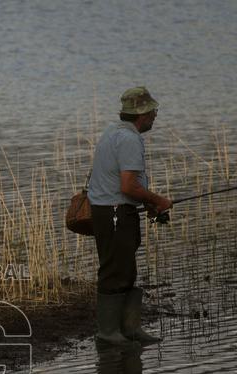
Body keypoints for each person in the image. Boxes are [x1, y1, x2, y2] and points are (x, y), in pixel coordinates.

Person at [87, 87, 172, 345]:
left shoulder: (113, 131)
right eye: (153, 111)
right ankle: (108, 333)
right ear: (142, 114)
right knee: (115, 271)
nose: (156, 115)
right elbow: (127, 186)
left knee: (125, 270)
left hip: (112, 210)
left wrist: (146, 205)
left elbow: (124, 186)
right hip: (114, 213)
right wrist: (158, 200)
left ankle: (129, 329)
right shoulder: (129, 139)